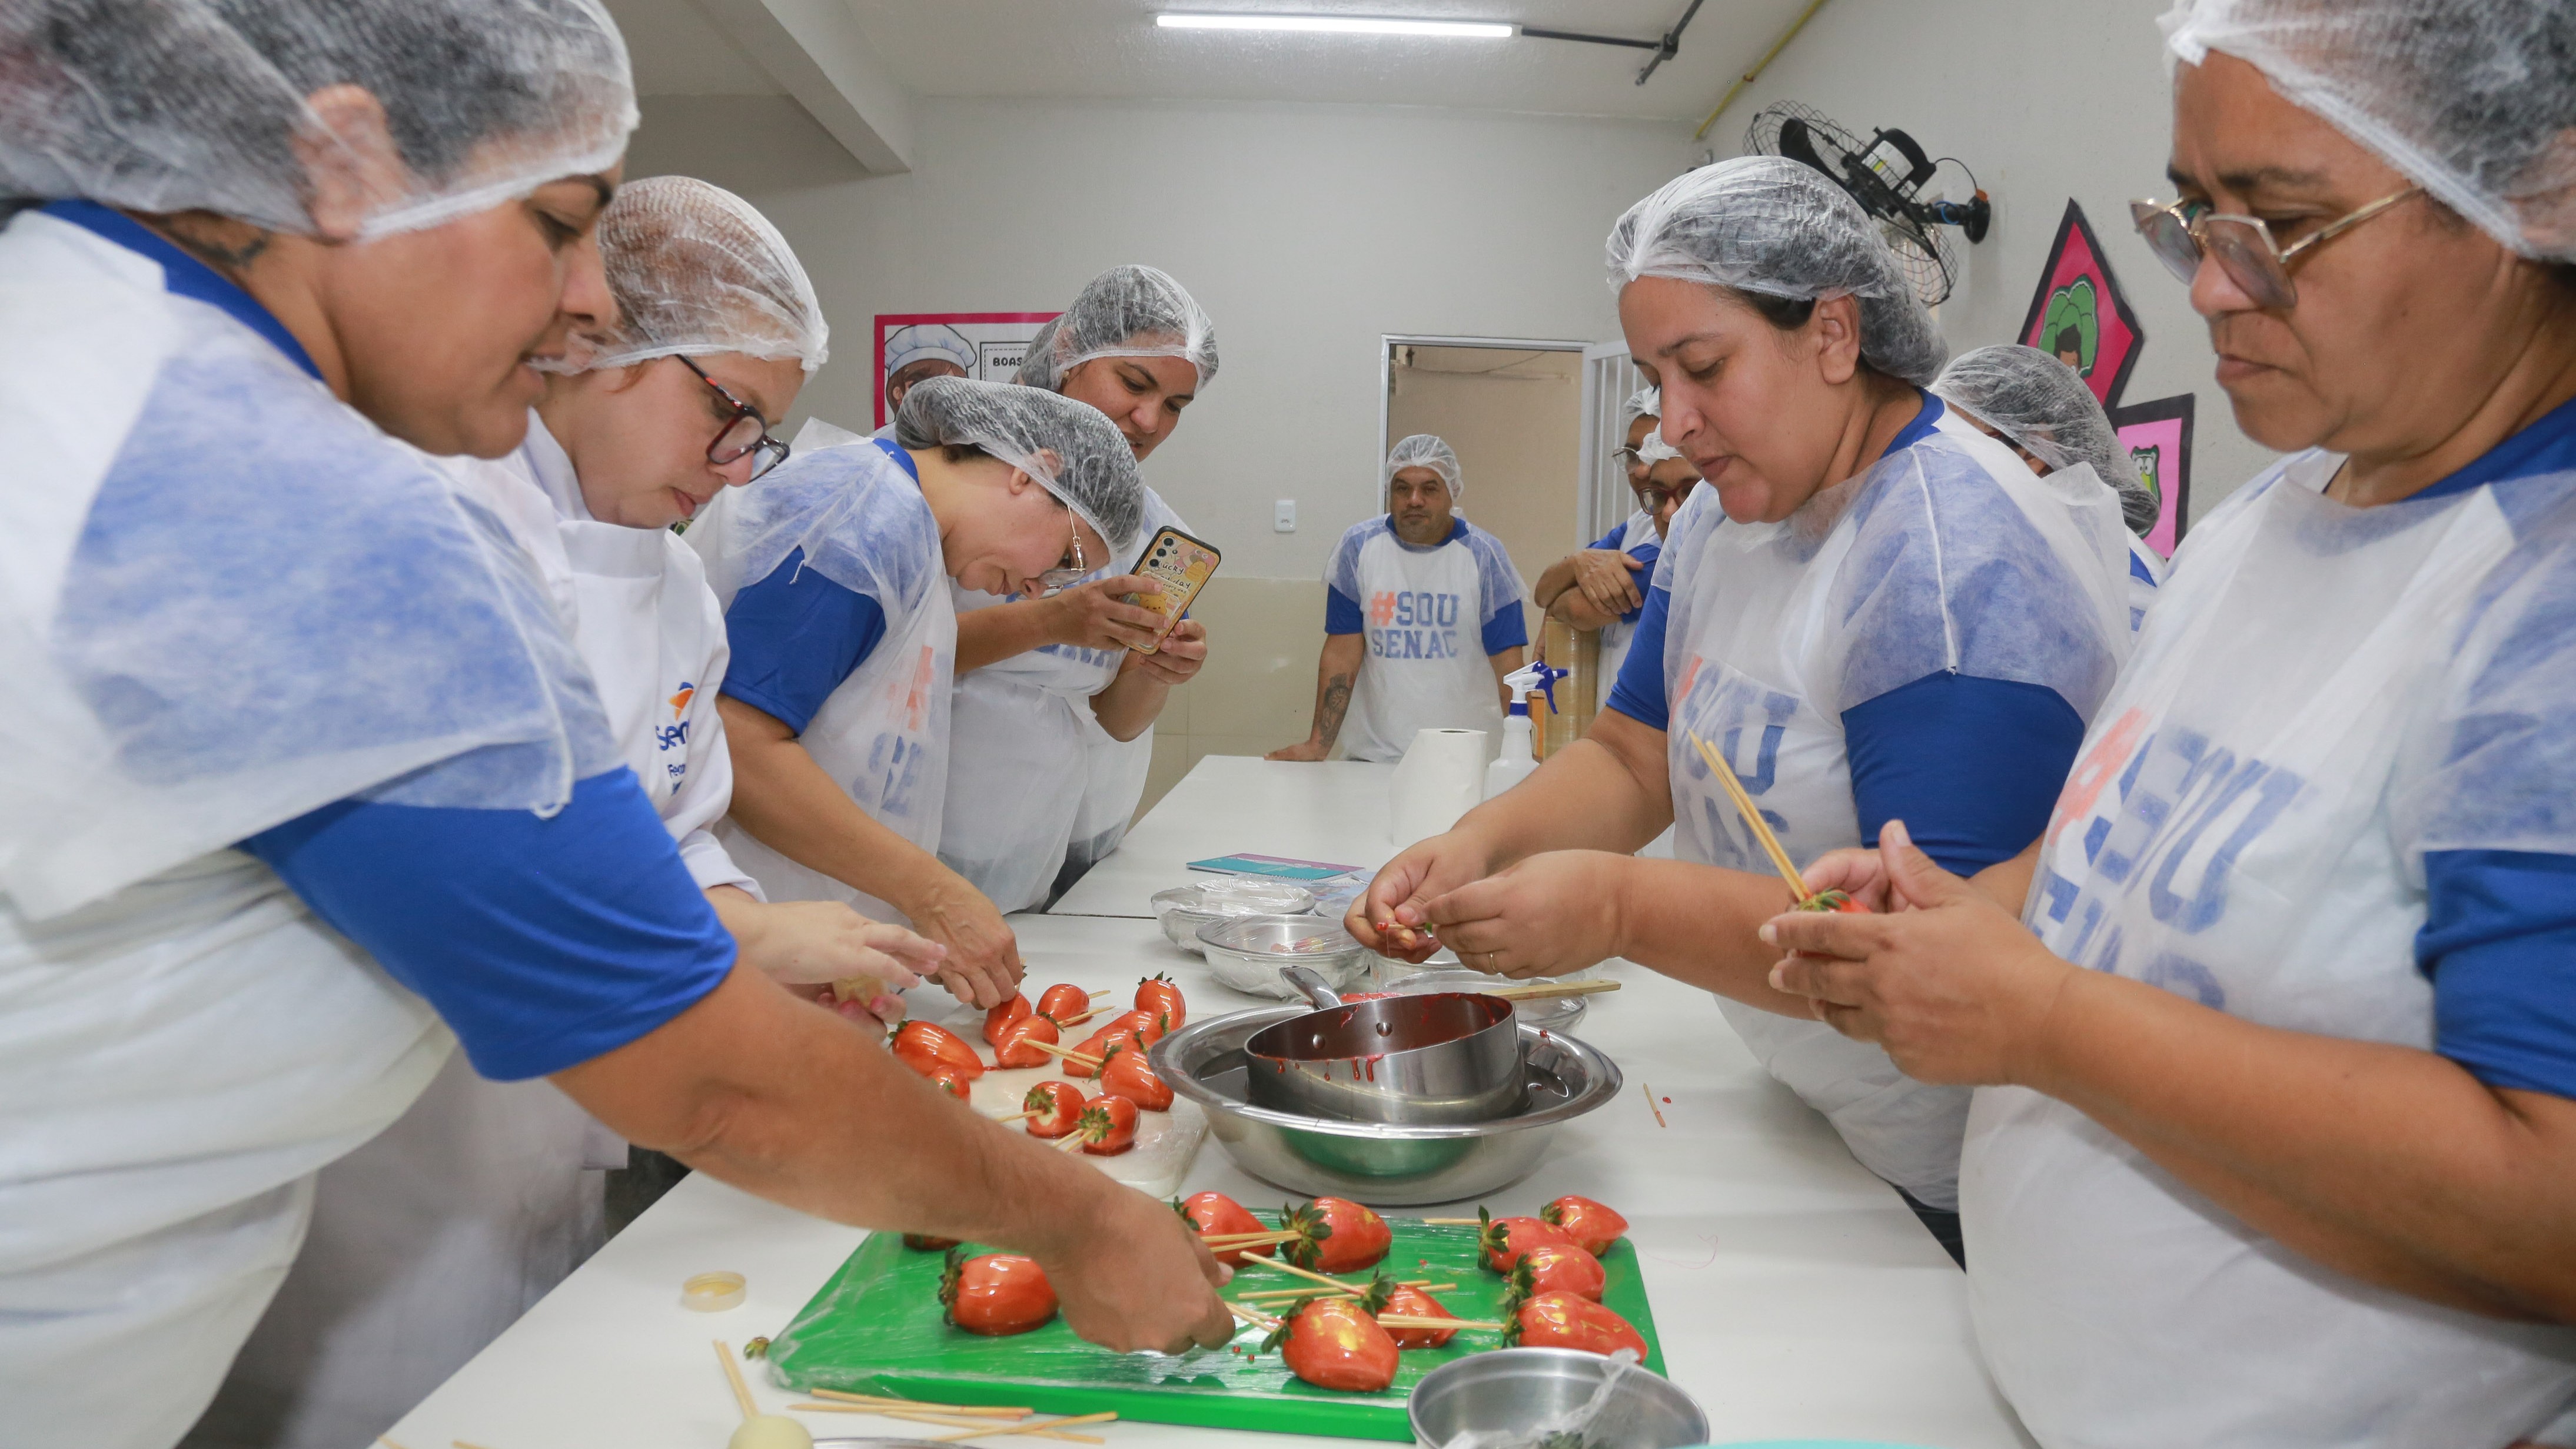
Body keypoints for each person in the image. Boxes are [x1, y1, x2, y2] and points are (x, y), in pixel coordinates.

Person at [0, 7, 1228, 1445]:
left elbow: (660, 831)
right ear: (339, 163)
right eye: (562, 222)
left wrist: (750, 935)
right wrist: (1077, 1219)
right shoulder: (274, 488)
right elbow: (701, 1068)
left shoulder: (81, 352)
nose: (588, 302)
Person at [1757, 2, 2576, 1443]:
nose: (2206, 286)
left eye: (2282, 221)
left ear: (2530, 202)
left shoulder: (2539, 601)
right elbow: (2120, 875)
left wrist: (2042, 1021)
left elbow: (2549, 1201)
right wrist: (1964, 918)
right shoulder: (2276, 514)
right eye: (2191, 214)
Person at [188, 173, 943, 1449]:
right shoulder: (431, 520)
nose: (737, 468)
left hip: (569, 1123)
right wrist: (743, 948)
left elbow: (680, 823)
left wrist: (757, 933)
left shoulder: (681, 595)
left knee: (553, 1388)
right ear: (597, 346)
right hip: (390, 1148)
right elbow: (480, 871)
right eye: (728, 414)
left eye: (762, 437)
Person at [1348, 157, 2137, 1259]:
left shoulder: (1947, 564)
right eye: (1652, 379)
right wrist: (1474, 844)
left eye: (1704, 367)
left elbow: (1925, 943)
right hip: (1816, 1111)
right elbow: (1633, 755)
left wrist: (1621, 908)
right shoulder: (1727, 515)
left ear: (1831, 334)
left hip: (1940, 1176)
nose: (1673, 425)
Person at [697, 377, 1148, 1007]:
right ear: (1030, 473)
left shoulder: (908, 529)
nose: (1037, 587)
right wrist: (932, 892)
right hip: (746, 932)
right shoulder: (864, 518)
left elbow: (892, 663)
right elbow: (741, 742)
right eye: (1065, 559)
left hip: (803, 941)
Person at [937, 264, 1218, 912]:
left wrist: (1153, 669)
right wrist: (1054, 619)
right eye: (1134, 382)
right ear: (1068, 353)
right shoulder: (957, 479)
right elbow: (888, 654)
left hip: (1065, 837)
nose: (1148, 419)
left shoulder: (1156, 531)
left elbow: (1116, 720)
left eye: (1176, 405)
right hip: (933, 829)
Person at [1269, 434, 1530, 762]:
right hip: (1374, 756)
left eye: (1430, 488)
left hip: (1467, 760)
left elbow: (1510, 669)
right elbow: (1341, 655)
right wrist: (1317, 746)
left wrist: (1523, 758)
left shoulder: (1484, 556)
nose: (1415, 500)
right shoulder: (1358, 548)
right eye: (1402, 488)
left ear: (1453, 493)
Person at [1930, 342, 2168, 630]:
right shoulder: (2064, 544)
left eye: (1957, 442)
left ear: (2031, 451)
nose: (1938, 462)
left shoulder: (2078, 564)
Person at [1534, 393, 1696, 686]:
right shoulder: (1641, 522)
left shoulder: (1675, 538)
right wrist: (1580, 564)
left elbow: (1578, 610)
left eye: (1656, 447)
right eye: (1635, 455)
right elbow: (1544, 589)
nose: (1643, 467)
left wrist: (1556, 608)